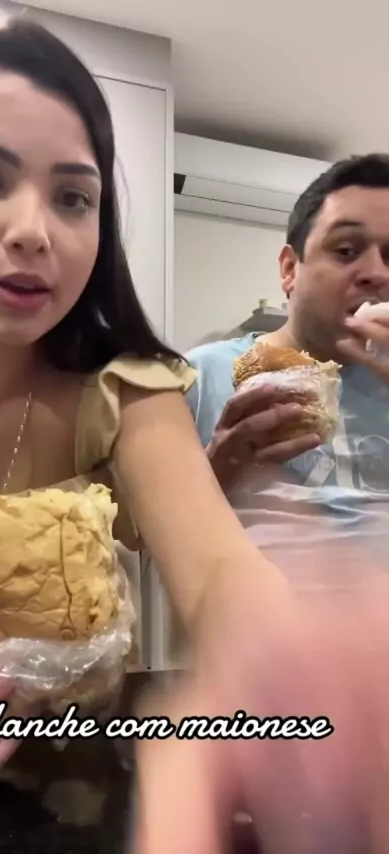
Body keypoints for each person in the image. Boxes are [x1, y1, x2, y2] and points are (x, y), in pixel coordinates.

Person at [0, 11, 286, 833]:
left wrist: (308, 684)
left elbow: (219, 572)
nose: (31, 231)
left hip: (84, 806)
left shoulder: (127, 391)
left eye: (73, 197)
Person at [185, 153, 389, 591]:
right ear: (290, 269)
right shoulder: (197, 377)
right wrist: (216, 471)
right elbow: (138, 539)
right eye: (347, 250)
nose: (376, 273)